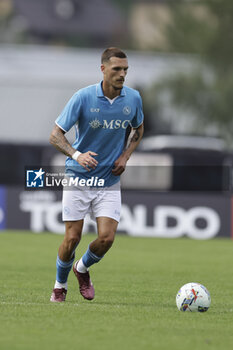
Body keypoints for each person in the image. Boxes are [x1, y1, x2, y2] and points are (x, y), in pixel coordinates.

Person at [49, 47, 144, 302]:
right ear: (103, 69)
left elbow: (138, 128)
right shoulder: (83, 97)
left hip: (108, 181)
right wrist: (77, 154)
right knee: (72, 238)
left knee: (107, 238)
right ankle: (60, 285)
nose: (122, 74)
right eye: (117, 69)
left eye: (125, 69)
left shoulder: (133, 99)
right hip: (78, 177)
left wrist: (125, 156)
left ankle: (81, 269)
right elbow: (55, 135)